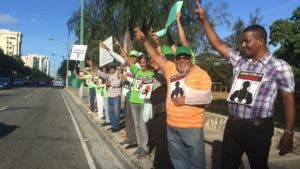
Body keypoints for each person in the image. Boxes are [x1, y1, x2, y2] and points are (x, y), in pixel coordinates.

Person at [194, 1, 296, 169]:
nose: (242, 45)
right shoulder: (240, 61)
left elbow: (289, 101)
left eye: (246, 41)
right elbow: (218, 44)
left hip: (258, 129)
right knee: (227, 165)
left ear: (260, 42)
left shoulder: (279, 67)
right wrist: (204, 20)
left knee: (258, 166)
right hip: (232, 126)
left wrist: (289, 133)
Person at [134, 27, 212, 169]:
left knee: (196, 164)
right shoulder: (171, 68)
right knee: (178, 162)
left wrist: (186, 99)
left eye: (185, 57)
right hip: (172, 127)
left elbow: (207, 97)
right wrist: (145, 40)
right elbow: (157, 56)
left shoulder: (201, 74)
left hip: (192, 129)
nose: (182, 61)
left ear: (191, 59)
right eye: (179, 58)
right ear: (175, 60)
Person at [99, 64, 122, 132]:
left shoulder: (118, 74)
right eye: (110, 70)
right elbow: (102, 75)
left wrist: (110, 83)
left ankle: (116, 127)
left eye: (112, 69)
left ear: (115, 69)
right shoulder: (108, 76)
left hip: (116, 96)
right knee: (110, 112)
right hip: (109, 95)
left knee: (116, 112)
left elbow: (119, 83)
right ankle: (113, 125)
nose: (111, 71)